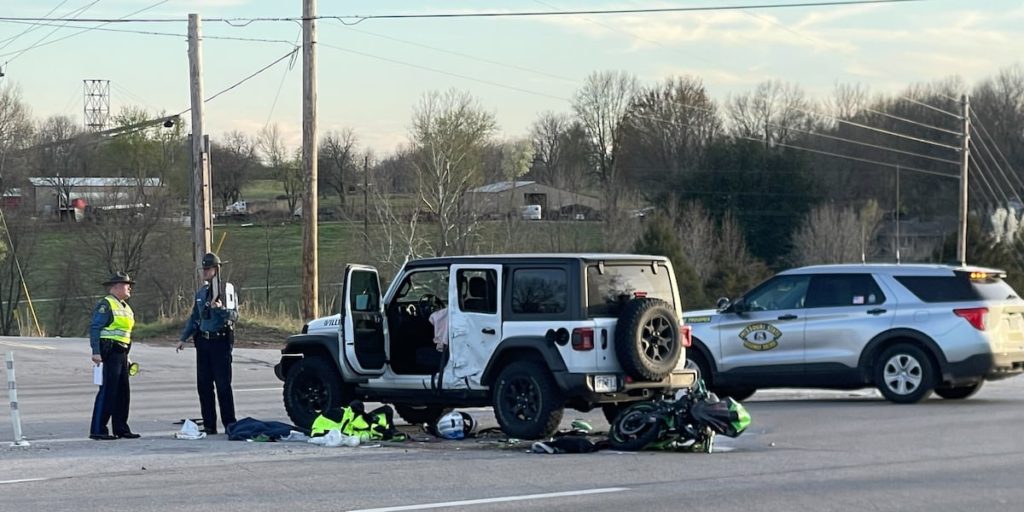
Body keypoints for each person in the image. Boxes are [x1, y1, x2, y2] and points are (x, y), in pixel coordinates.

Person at [177, 252, 238, 435]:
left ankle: (229, 423)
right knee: (203, 385)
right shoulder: (201, 292)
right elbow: (194, 317)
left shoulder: (226, 290)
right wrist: (184, 337)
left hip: (220, 341)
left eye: (208, 268)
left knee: (223, 385)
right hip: (203, 342)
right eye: (203, 268)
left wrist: (221, 310)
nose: (204, 271)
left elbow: (234, 316)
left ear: (216, 269)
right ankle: (210, 424)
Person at [89, 271, 141, 440]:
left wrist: (128, 355)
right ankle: (98, 429)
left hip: (122, 352)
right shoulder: (107, 304)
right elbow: (95, 328)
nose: (130, 288)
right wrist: (96, 351)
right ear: (117, 286)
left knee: (122, 393)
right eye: (127, 285)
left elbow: (125, 334)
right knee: (108, 391)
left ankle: (121, 428)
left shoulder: (126, 307)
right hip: (109, 350)